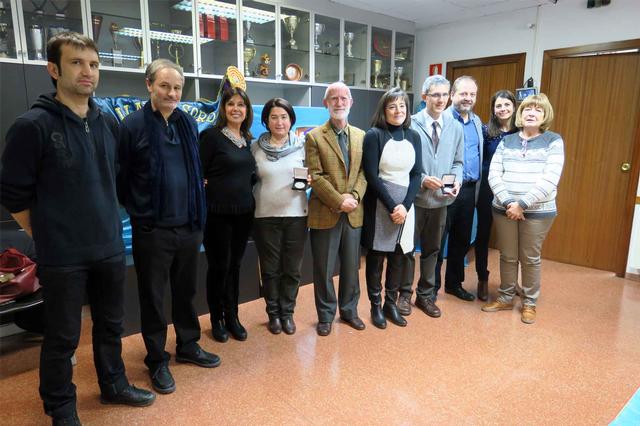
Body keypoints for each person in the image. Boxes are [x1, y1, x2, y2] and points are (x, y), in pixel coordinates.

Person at [0, 32, 154, 425]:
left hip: (108, 247)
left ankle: (113, 384)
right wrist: (45, 232)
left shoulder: (107, 123)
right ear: (53, 69)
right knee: (63, 335)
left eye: (94, 64)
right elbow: (13, 195)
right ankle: (61, 406)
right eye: (76, 63)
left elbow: (114, 178)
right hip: (62, 254)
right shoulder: (32, 126)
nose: (88, 72)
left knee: (111, 325)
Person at [117, 59, 220, 396]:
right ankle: (157, 359)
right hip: (153, 230)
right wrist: (142, 214)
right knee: (153, 296)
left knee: (186, 291)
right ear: (149, 85)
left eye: (177, 88)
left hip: (188, 226)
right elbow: (121, 179)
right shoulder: (132, 126)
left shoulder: (187, 122)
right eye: (164, 86)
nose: (172, 93)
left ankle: (188, 345)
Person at [482, 93, 564, 324]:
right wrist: (510, 203)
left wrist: (522, 204)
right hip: (504, 209)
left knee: (530, 258)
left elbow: (550, 178)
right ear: (520, 113)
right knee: (507, 255)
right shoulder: (507, 141)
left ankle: (529, 303)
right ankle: (506, 297)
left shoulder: (553, 141)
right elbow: (494, 174)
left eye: (538, 110)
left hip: (538, 212)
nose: (531, 113)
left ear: (545, 115)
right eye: (527, 109)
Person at [397, 75, 464, 319]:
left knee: (432, 250)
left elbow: (458, 162)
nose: (440, 99)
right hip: (414, 200)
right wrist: (423, 179)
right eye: (435, 95)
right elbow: (402, 161)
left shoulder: (455, 127)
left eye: (445, 95)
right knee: (406, 249)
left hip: (440, 201)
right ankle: (404, 294)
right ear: (424, 96)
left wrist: (457, 180)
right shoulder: (410, 124)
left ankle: (425, 295)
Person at [305, 82, 367, 336]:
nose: (339, 103)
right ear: (326, 104)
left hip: (354, 212)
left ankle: (350, 311)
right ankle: (326, 315)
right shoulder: (314, 136)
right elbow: (315, 175)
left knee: (351, 267)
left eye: (344, 98)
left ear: (351, 102)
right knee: (324, 268)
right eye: (334, 98)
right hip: (325, 212)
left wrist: (354, 196)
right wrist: (338, 200)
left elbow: (364, 172)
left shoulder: (361, 136)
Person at [361, 88, 422, 329]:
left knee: (399, 256)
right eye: (392, 106)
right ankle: (375, 306)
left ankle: (390, 303)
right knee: (376, 258)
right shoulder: (374, 135)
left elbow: (416, 175)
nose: (398, 111)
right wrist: (392, 206)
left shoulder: (413, 136)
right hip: (380, 204)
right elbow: (371, 175)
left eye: (402, 106)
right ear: (384, 110)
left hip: (406, 207)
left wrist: (404, 206)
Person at [199, 87, 256, 342]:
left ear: (247, 110)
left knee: (235, 266)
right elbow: (198, 174)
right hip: (217, 214)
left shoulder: (248, 139)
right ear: (223, 108)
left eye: (241, 105)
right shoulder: (211, 137)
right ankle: (216, 319)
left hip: (244, 213)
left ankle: (232, 316)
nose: (236, 109)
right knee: (219, 267)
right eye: (231, 104)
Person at [251, 98, 307, 335]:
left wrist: (311, 180)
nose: (279, 122)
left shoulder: (303, 145)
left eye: (284, 117)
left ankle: (288, 313)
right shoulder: (255, 147)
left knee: (292, 269)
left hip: (296, 215)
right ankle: (273, 314)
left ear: (291, 120)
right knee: (270, 269)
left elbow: (315, 175)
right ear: (266, 120)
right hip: (265, 216)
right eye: (274, 117)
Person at [435, 75, 484, 303]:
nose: (468, 98)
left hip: (469, 189)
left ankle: (454, 284)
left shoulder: (476, 122)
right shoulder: (441, 119)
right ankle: (430, 288)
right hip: (445, 185)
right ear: (452, 95)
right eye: (463, 93)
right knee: (437, 239)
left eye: (472, 94)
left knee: (461, 239)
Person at [474, 90, 517, 301]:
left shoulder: (521, 132)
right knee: (483, 234)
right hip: (487, 189)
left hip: (513, 190)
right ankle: (482, 278)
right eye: (498, 105)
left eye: (507, 105)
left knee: (512, 238)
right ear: (493, 109)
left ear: (514, 107)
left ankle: (511, 282)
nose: (503, 109)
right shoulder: (485, 131)